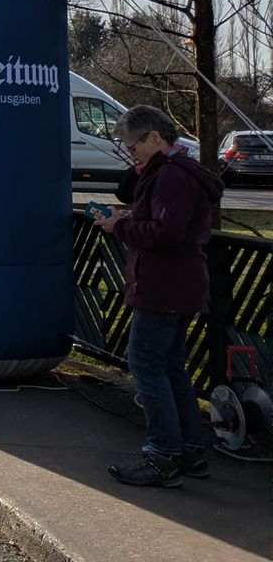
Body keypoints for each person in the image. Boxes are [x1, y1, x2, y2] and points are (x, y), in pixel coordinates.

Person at [95, 105, 222, 488]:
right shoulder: (182, 171)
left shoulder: (169, 175)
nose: (130, 153)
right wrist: (130, 220)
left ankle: (163, 454)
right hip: (182, 283)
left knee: (147, 365)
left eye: (132, 145)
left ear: (154, 137)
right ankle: (189, 450)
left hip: (163, 284)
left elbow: (166, 233)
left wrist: (121, 226)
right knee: (170, 368)